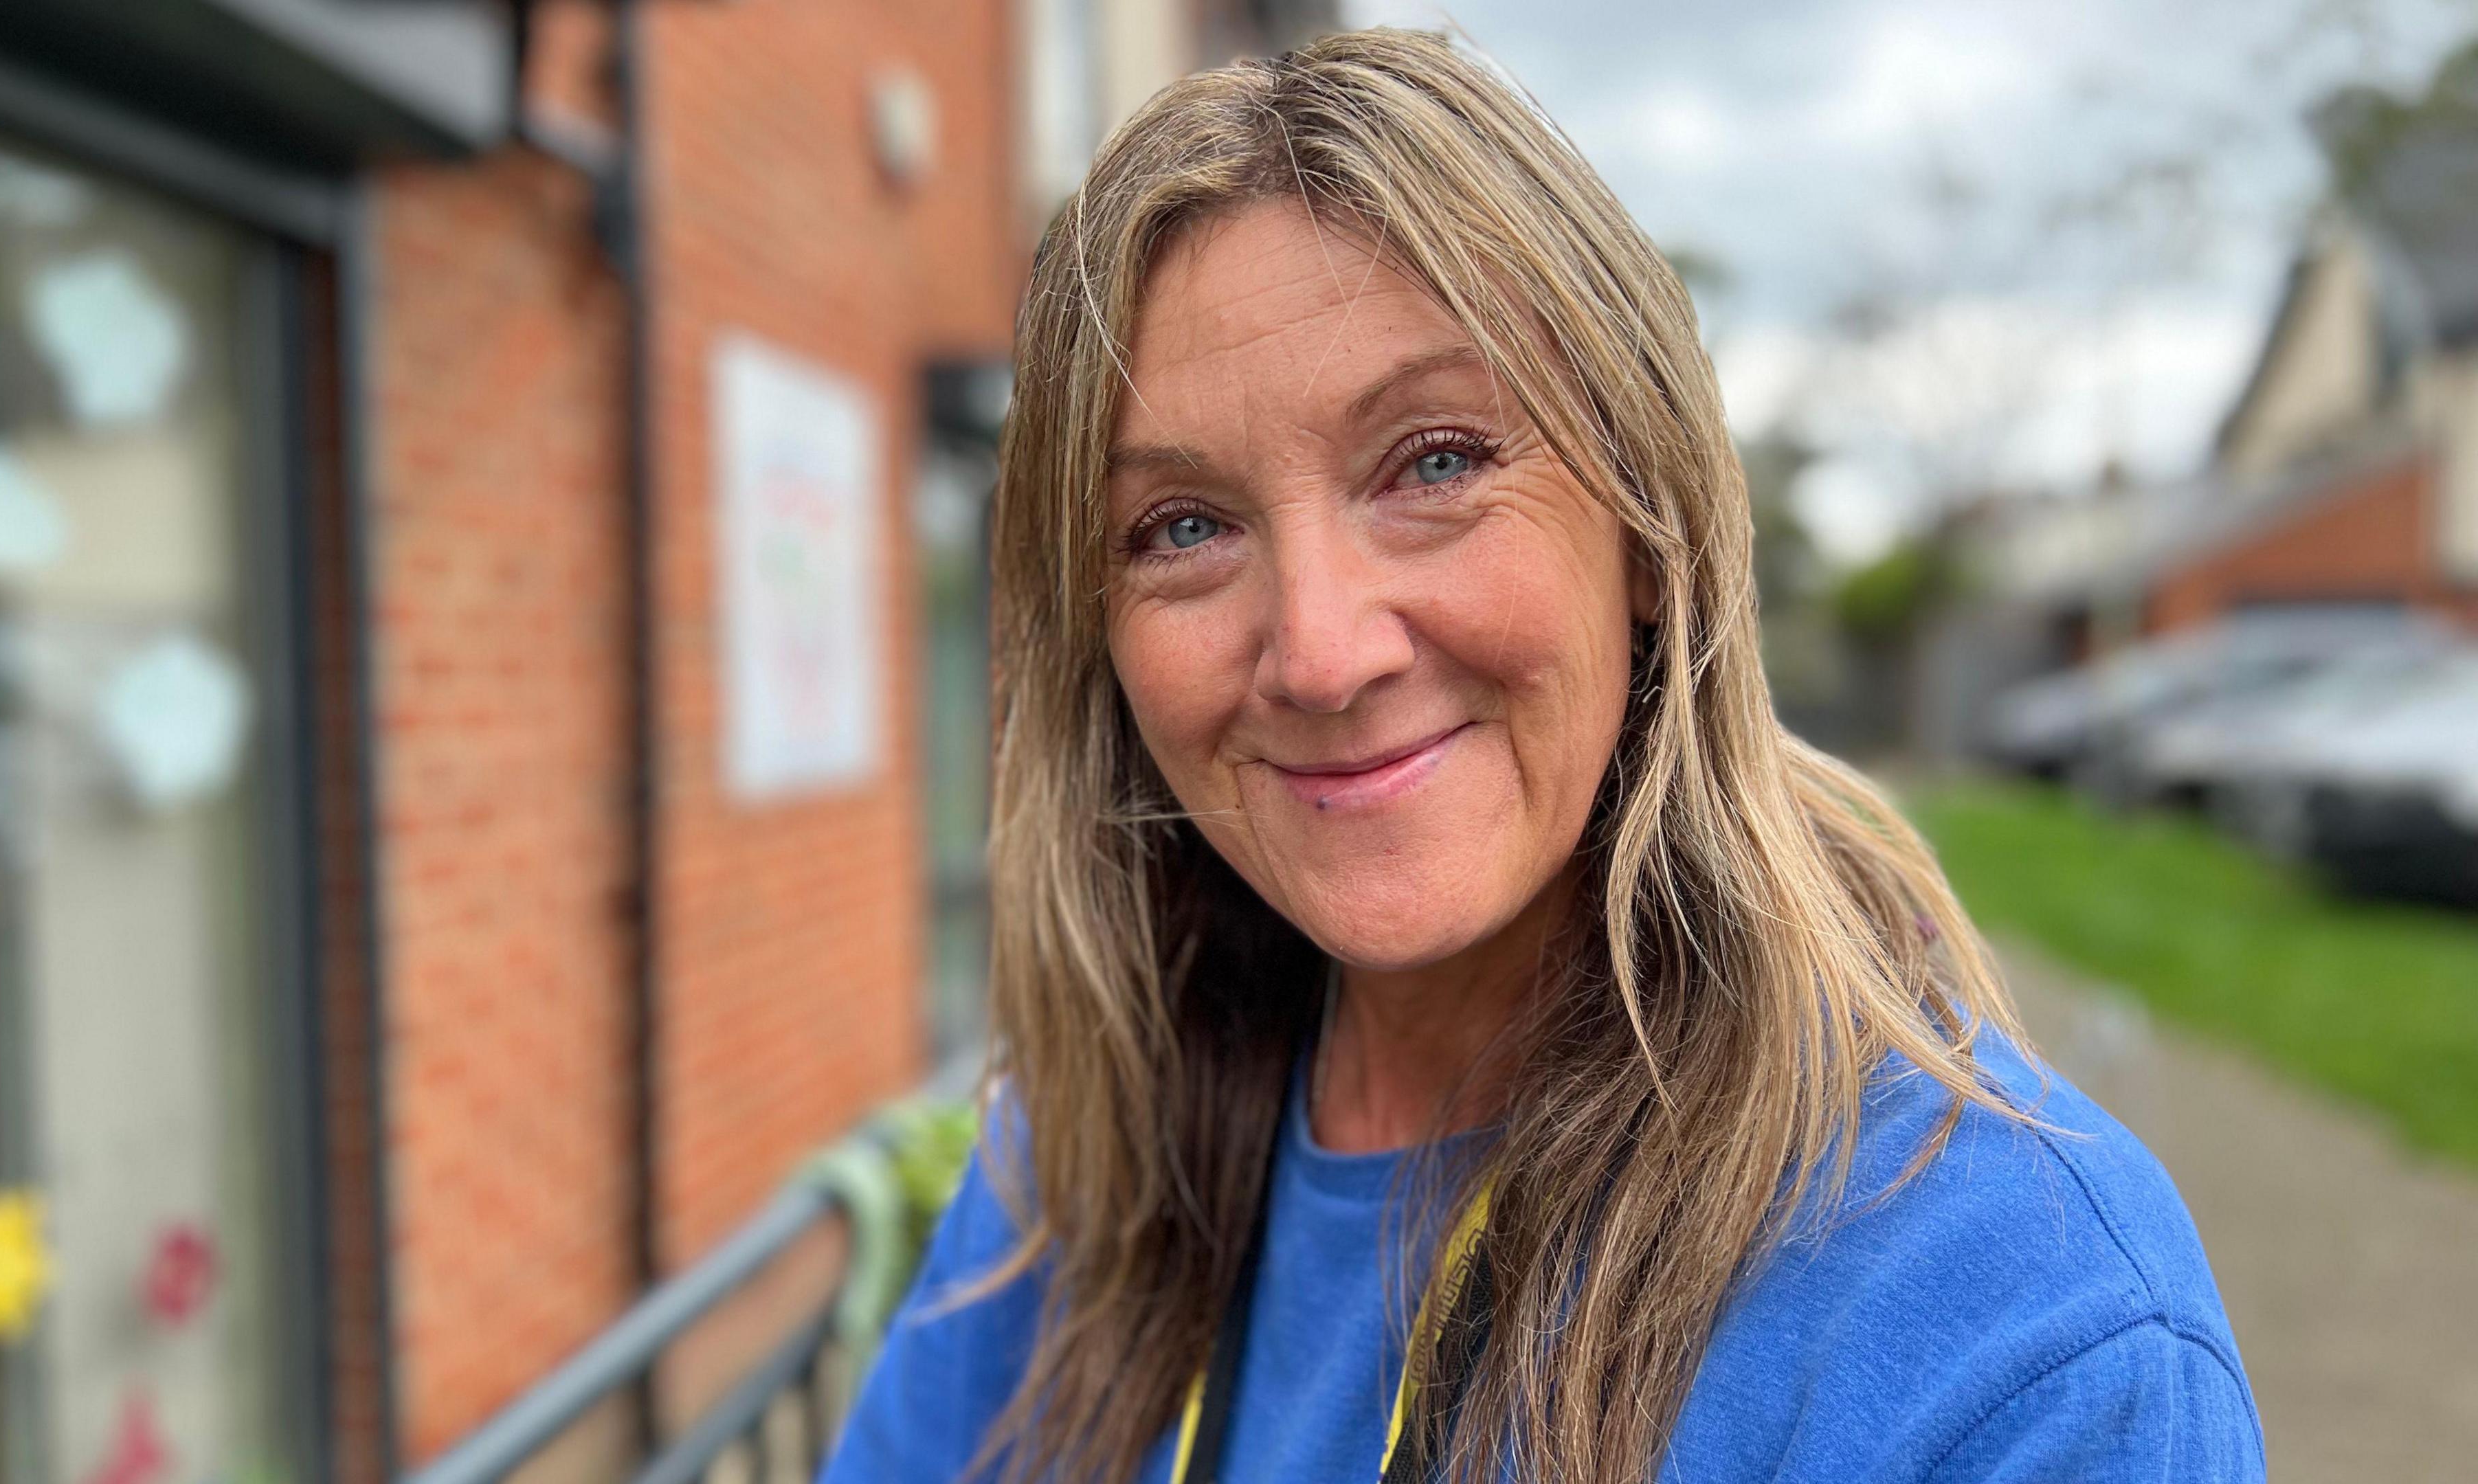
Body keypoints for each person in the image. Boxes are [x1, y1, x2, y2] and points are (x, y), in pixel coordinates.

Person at [824, 27, 2261, 1484]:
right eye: (1184, 528)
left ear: (1647, 531)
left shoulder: (2027, 1337)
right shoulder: (1068, 1182)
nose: (1321, 653)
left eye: (1436, 460)